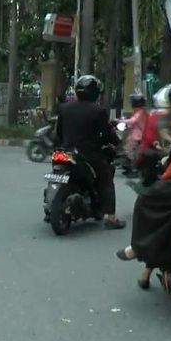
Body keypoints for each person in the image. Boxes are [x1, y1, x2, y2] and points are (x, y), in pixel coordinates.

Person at [117, 74, 171, 290]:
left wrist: (164, 179)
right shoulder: (163, 116)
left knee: (148, 198)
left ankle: (139, 247)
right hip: (160, 152)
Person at [55, 74, 125, 229]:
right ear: (94, 92)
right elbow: (107, 134)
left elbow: (58, 133)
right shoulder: (97, 110)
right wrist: (117, 144)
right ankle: (111, 217)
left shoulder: (64, 108)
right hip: (88, 155)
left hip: (65, 152)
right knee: (105, 179)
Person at [120, 94, 149, 168]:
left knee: (129, 149)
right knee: (128, 148)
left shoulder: (140, 112)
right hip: (137, 133)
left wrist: (119, 120)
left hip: (138, 135)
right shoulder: (139, 111)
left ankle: (132, 165)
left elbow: (132, 121)